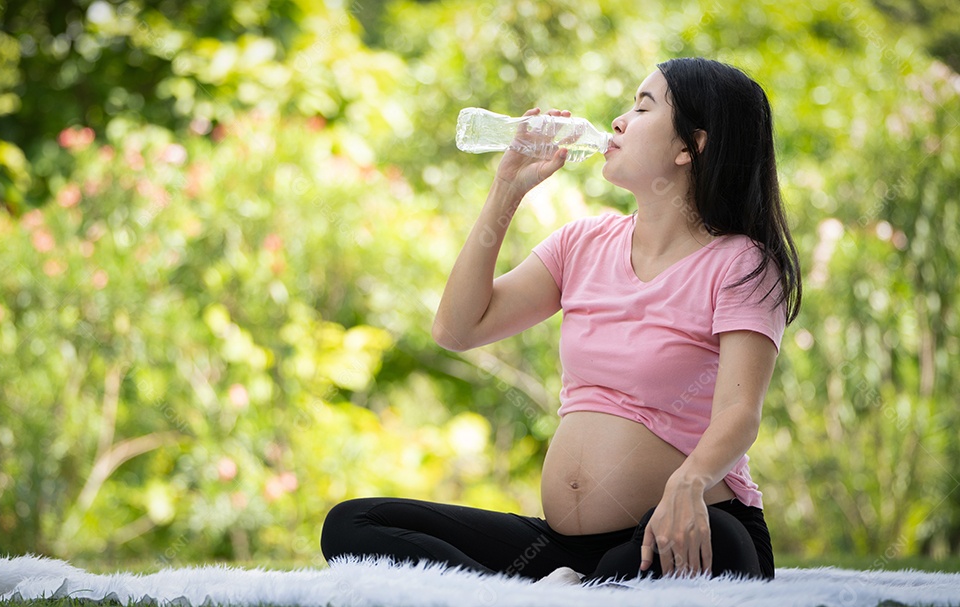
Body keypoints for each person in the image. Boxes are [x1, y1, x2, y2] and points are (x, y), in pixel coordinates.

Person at [320, 57, 802, 583]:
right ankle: (556, 595)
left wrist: (686, 484)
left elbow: (740, 412)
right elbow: (456, 329)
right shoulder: (582, 244)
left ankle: (565, 592)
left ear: (691, 146)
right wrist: (507, 188)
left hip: (680, 528)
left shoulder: (740, 262)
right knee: (352, 524)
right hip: (563, 550)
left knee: (720, 544)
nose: (618, 121)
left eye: (643, 107)